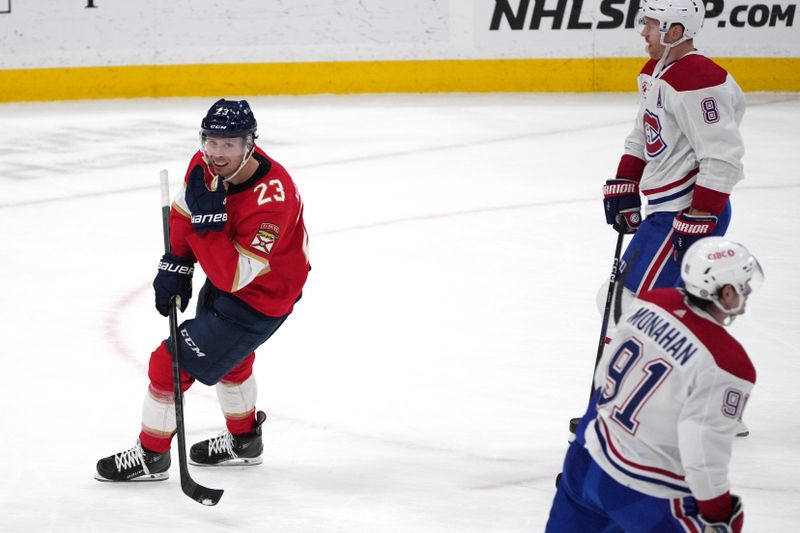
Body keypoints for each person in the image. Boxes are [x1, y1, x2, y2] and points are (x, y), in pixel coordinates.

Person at [95, 99, 310, 481]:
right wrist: (177, 263)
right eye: (210, 140)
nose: (215, 152)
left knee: (169, 363)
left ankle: (152, 456)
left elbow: (234, 278)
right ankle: (245, 442)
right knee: (232, 362)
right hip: (228, 275)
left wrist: (208, 229)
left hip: (261, 298)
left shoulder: (273, 200)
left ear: (250, 144)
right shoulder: (203, 164)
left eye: (228, 144)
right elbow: (182, 210)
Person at [546, 236, 764, 532]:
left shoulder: (652, 301)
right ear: (725, 291)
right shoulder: (727, 362)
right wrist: (719, 514)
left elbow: (605, 374)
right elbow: (702, 454)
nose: (748, 290)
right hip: (643, 488)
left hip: (586, 456)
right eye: (743, 284)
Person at [602, 0, 746, 320]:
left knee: (632, 311)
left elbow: (722, 155)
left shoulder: (698, 79)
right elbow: (643, 131)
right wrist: (627, 181)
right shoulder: (656, 72)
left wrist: (700, 214)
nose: (644, 33)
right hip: (665, 210)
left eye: (651, 25)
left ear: (675, 31)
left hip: (687, 211)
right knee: (620, 304)